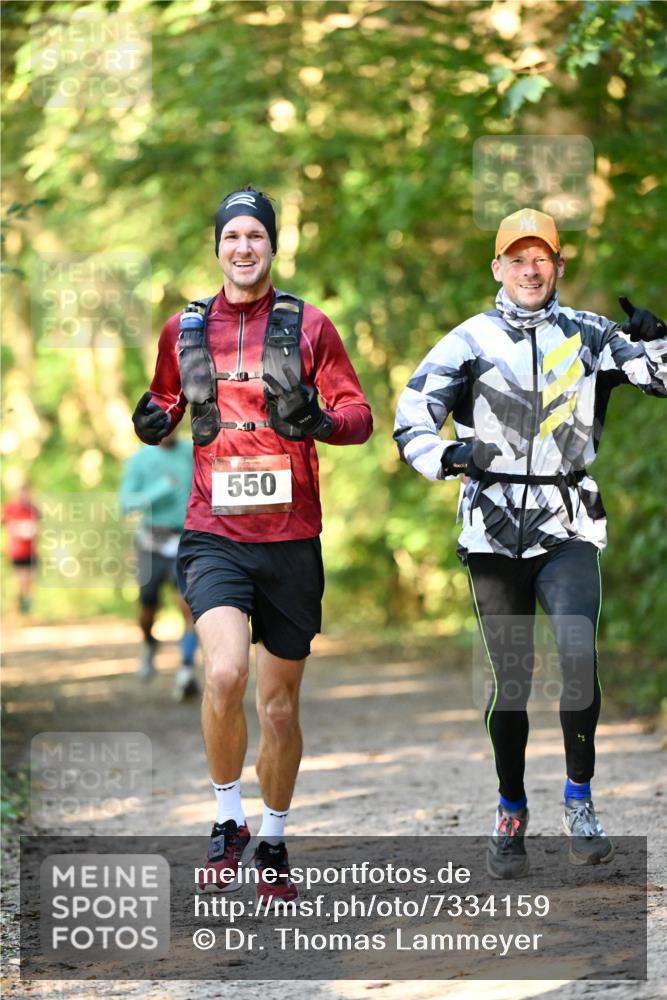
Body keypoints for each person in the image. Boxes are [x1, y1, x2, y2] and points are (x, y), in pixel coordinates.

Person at [394, 207, 666, 879]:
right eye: (516, 257)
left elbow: (659, 380)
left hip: (565, 518)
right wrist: (445, 454)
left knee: (576, 654)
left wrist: (658, 342)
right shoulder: (468, 340)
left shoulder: (590, 335)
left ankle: (579, 799)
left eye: (540, 256)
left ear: (557, 267)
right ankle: (510, 807)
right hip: (489, 528)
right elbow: (410, 417)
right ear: (497, 269)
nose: (529, 267)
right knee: (511, 681)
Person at [131, 187, 372, 901]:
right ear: (217, 247)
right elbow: (165, 401)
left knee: (277, 707)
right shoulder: (184, 327)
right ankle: (226, 816)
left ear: (271, 246)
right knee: (226, 674)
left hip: (291, 540)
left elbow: (358, 416)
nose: (243, 247)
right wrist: (151, 418)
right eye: (231, 236)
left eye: (255, 237)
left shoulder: (310, 325)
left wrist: (320, 421)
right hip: (214, 534)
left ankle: (272, 833)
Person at [119, 431, 199, 701]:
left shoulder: (192, 451)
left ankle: (186, 669)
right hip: (151, 542)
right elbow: (125, 505)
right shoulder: (139, 460)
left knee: (188, 605)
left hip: (186, 540)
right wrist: (162, 487)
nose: (167, 428)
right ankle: (150, 643)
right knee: (147, 607)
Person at [2, 482, 40, 614]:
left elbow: (38, 522)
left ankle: (25, 599)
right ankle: (23, 603)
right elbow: (5, 523)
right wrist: (16, 528)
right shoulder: (11, 508)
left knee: (32, 578)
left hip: (32, 550)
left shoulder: (33, 508)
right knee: (22, 577)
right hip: (17, 550)